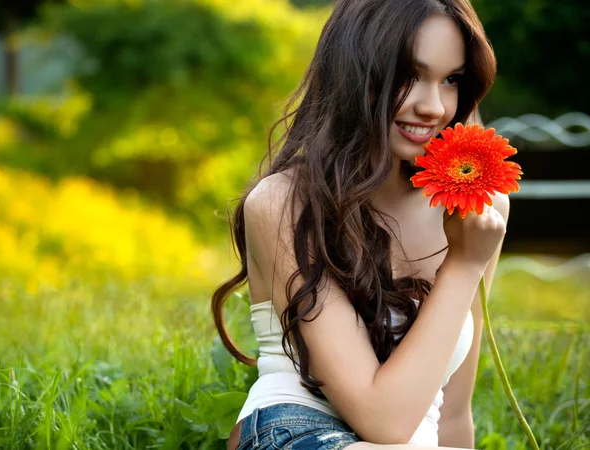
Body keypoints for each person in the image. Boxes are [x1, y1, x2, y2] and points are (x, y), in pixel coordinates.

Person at [211, 0, 509, 448]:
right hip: (297, 430)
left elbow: (451, 413)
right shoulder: (283, 203)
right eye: (408, 74)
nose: (433, 106)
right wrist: (462, 266)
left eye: (451, 80)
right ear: (353, 73)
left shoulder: (477, 210)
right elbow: (382, 422)